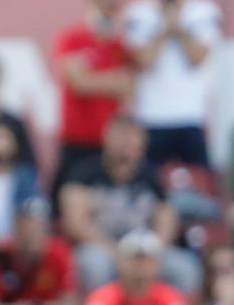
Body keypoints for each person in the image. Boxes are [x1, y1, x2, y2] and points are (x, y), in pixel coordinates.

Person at [60, 115, 191, 292]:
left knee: (184, 268)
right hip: (103, 247)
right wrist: (115, 252)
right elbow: (77, 222)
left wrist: (153, 250)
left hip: (143, 249)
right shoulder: (85, 173)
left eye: (131, 138)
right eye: (121, 136)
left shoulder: (150, 176)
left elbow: (166, 216)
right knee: (94, 264)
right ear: (107, 138)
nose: (125, 144)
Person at [122, 0, 220, 169]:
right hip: (152, 116)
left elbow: (197, 58)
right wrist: (164, 29)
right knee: (150, 180)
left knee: (201, 182)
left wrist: (179, 27)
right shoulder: (137, 14)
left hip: (190, 114)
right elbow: (145, 61)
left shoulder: (203, 11)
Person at [54, 0, 136, 191]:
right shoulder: (72, 38)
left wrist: (93, 79)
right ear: (92, 0)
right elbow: (78, 83)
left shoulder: (121, 44)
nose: (110, 6)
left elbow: (128, 86)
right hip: (76, 138)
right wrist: (111, 81)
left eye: (115, 1)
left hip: (109, 144)